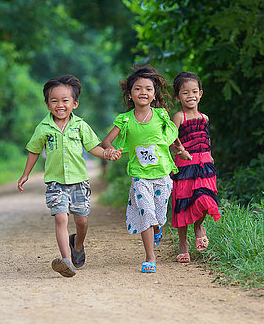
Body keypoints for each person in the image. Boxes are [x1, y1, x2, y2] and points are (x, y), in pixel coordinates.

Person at [18, 75, 120, 277]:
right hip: (56, 182)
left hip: (79, 182)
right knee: (60, 218)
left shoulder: (80, 125)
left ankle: (78, 245)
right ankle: (66, 260)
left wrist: (107, 153)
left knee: (81, 221)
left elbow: (93, 147)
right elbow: (34, 151)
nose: (60, 105)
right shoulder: (43, 128)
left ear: (75, 103)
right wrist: (25, 174)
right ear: (47, 104)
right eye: (54, 101)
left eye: (65, 100)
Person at [101, 65, 180, 274]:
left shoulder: (161, 116)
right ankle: (149, 257)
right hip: (139, 176)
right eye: (137, 88)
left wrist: (179, 149)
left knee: (159, 216)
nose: (143, 92)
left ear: (154, 95)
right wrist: (111, 151)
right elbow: (107, 141)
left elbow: (171, 136)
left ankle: (157, 228)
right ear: (130, 94)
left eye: (148, 89)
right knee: (146, 212)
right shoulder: (125, 119)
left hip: (162, 174)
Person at [169, 71, 221, 263]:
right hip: (184, 166)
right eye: (185, 93)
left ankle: (199, 227)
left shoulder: (205, 118)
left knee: (207, 200)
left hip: (205, 165)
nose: (190, 96)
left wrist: (210, 155)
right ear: (177, 97)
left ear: (200, 94)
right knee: (182, 204)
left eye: (194, 92)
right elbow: (171, 142)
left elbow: (206, 138)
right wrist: (179, 150)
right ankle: (183, 245)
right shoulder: (178, 117)